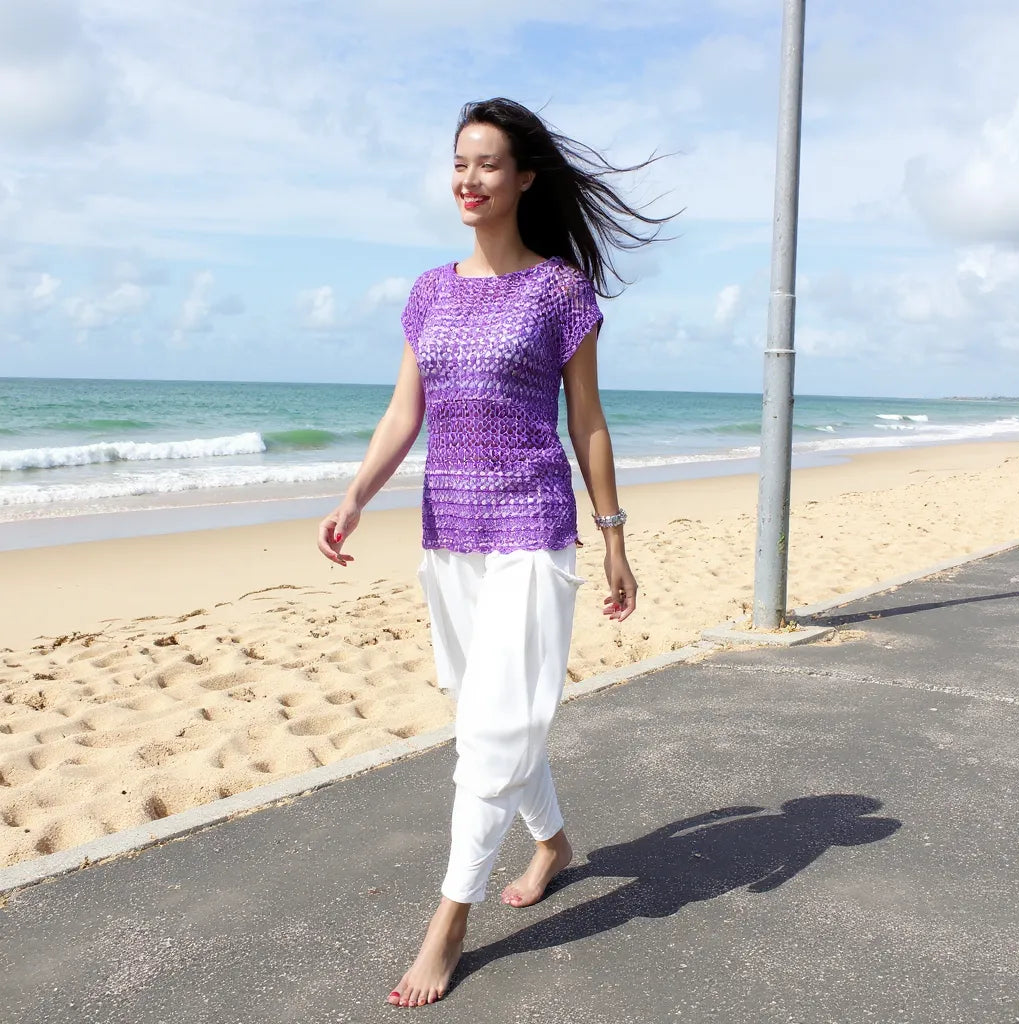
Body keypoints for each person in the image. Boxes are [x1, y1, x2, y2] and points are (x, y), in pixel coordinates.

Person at [317, 97, 672, 1008]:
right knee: (490, 710)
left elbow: (586, 419)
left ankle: (449, 920)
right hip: (450, 534)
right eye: (459, 163)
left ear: (524, 179)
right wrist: (357, 495)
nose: (467, 179)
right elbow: (408, 411)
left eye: (486, 164)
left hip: (533, 528)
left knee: (491, 733)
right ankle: (552, 839)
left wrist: (615, 535)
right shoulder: (430, 291)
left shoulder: (559, 292)